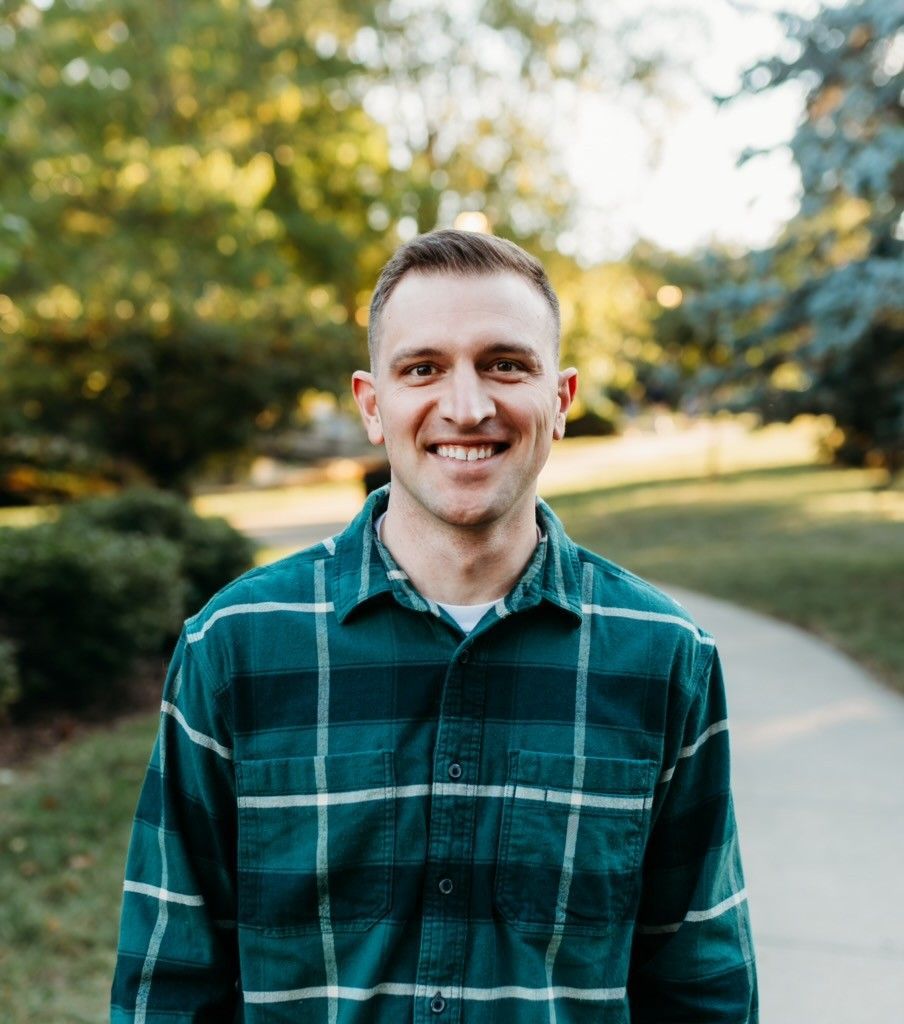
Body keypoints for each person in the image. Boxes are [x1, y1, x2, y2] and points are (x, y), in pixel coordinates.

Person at [111, 229, 757, 1023]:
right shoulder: (235, 647)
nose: (467, 406)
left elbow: (701, 984)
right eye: (424, 369)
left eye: (505, 364)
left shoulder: (664, 659)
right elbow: (167, 983)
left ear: (560, 398)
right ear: (373, 405)